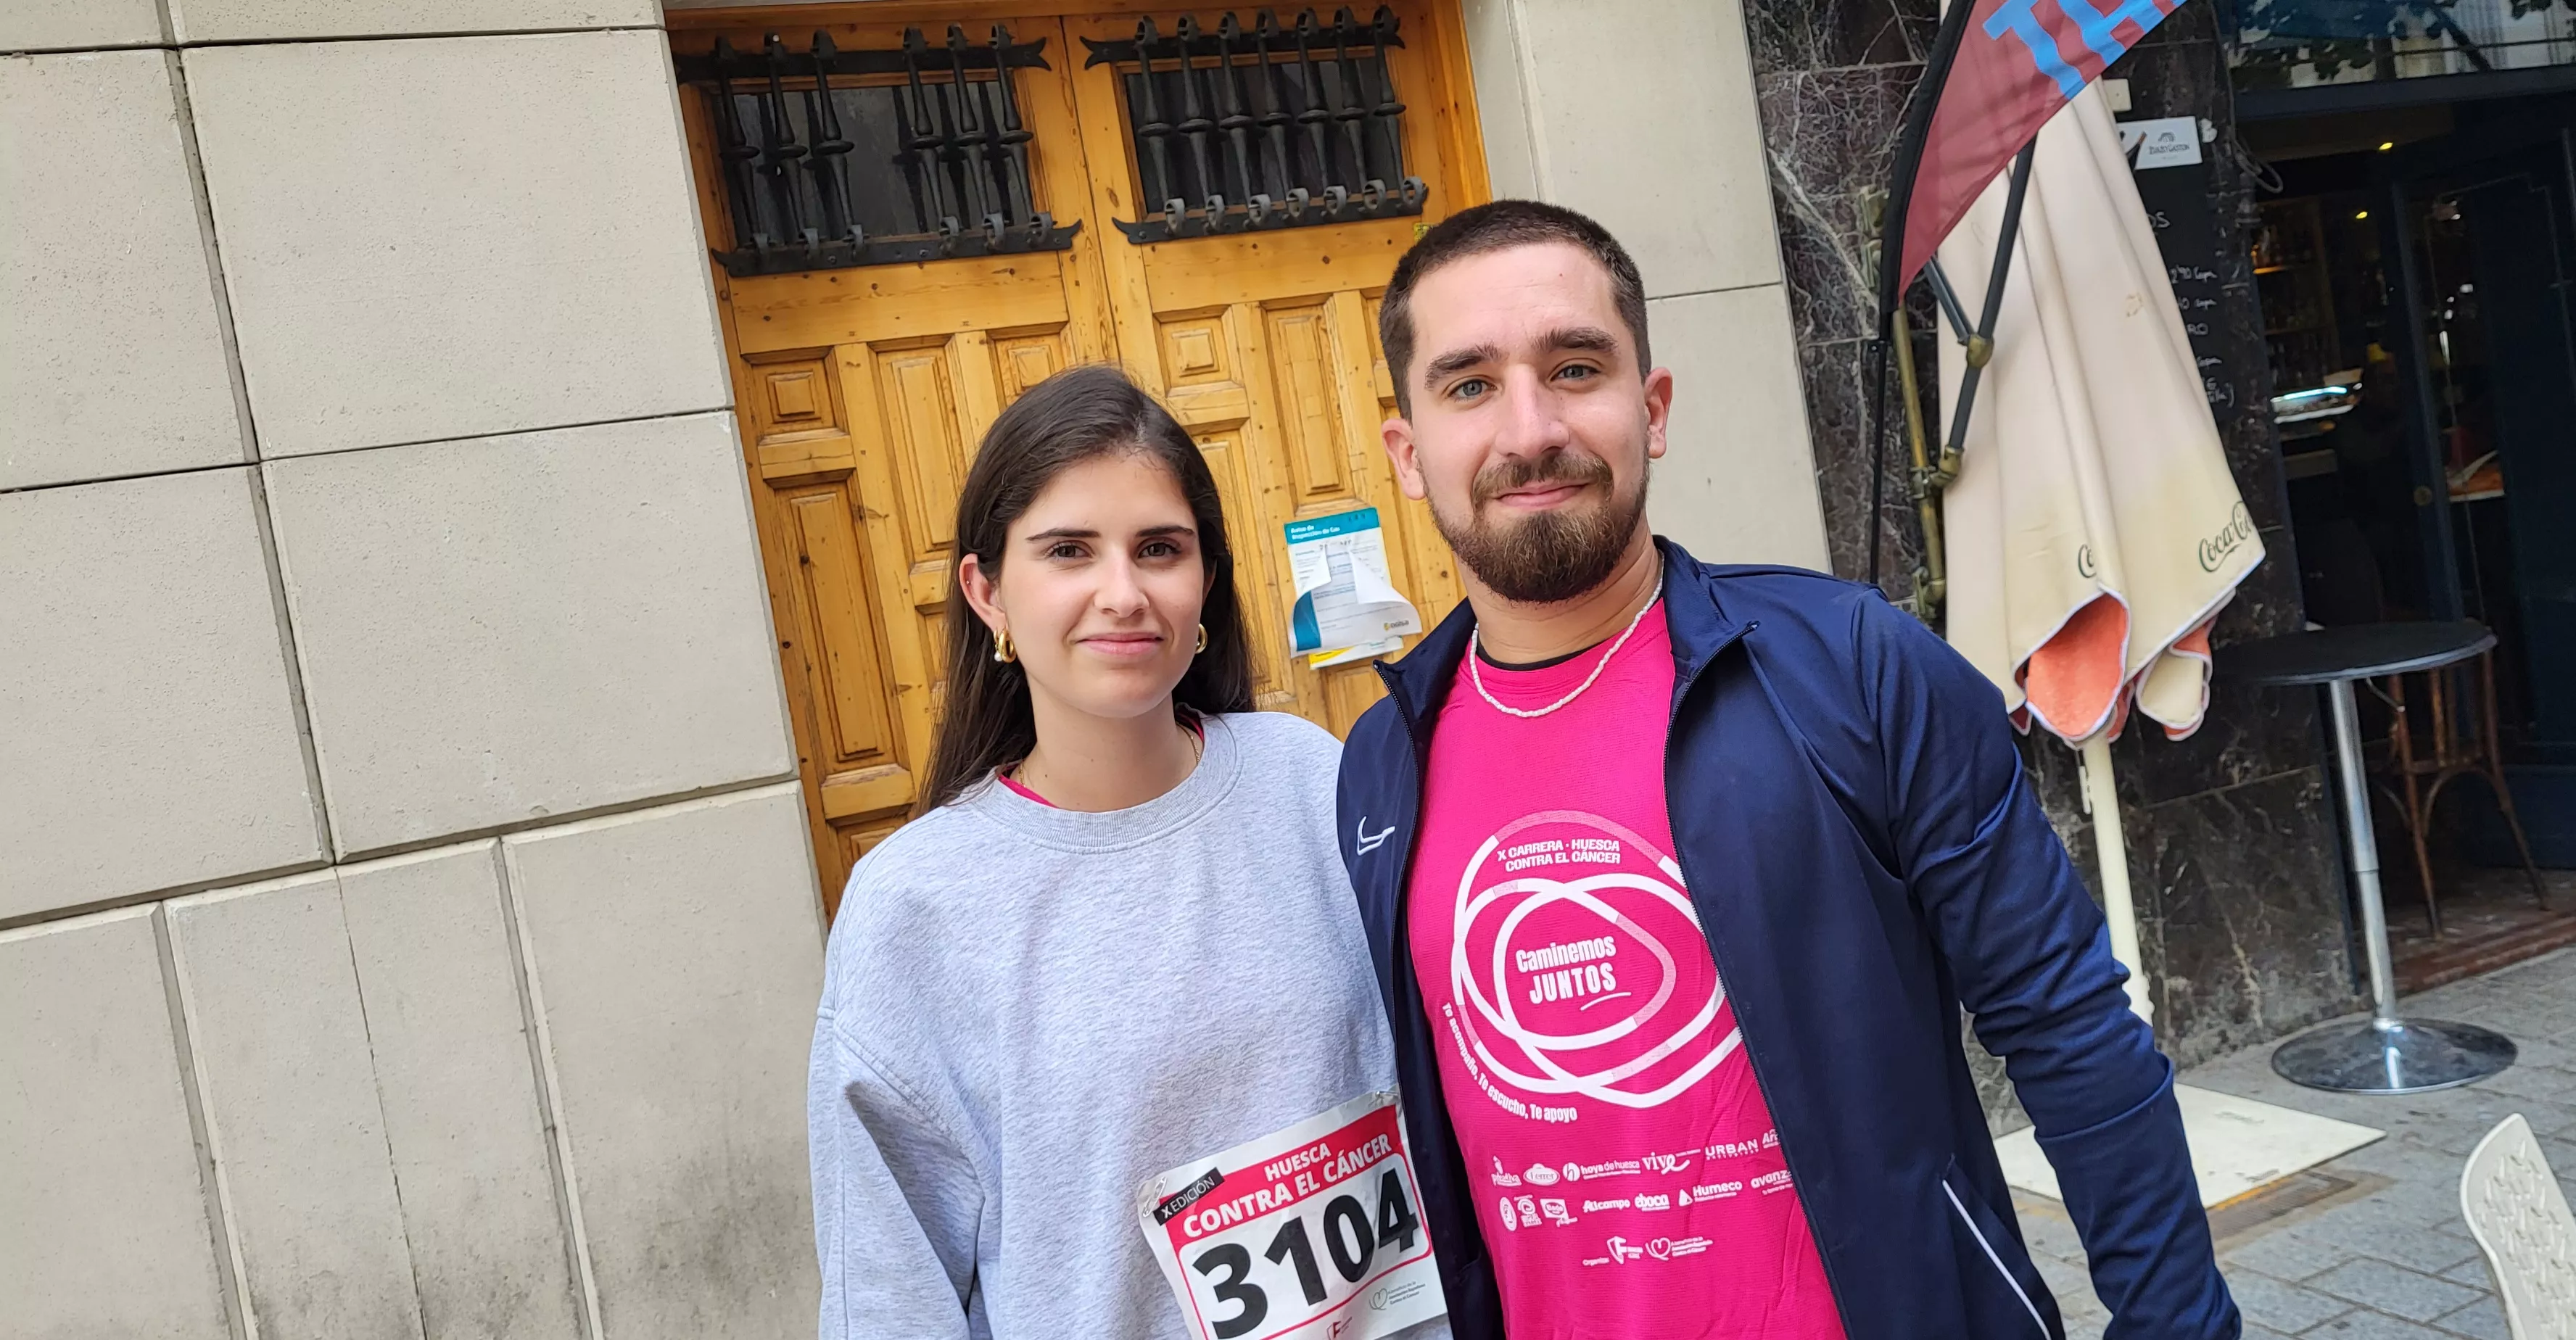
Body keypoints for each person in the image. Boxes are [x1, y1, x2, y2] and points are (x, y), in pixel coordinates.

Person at [1337, 200, 2236, 1339]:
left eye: (1574, 367)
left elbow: (2068, 1030)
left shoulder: (1851, 668)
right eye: (1469, 385)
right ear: (1408, 452)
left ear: (1652, 411)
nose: (1530, 429)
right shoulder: (1382, 764)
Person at [806, 366, 1442, 1339]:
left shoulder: (1314, 782)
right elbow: (890, 1288)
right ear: (987, 594)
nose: (1122, 592)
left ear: (1206, 581)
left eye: (1160, 549)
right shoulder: (914, 904)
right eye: (1068, 550)